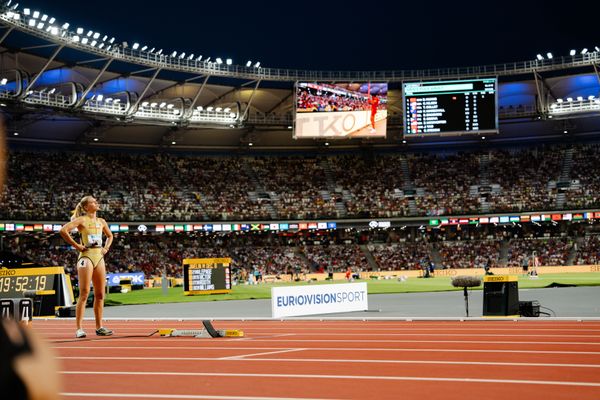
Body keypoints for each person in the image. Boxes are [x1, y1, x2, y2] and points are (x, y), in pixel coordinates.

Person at [59, 196, 114, 338]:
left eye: (96, 201)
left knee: (100, 295)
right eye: (93, 202)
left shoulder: (101, 221)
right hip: (86, 257)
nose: (96, 203)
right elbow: (63, 230)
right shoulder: (81, 220)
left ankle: (99, 327)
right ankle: (79, 328)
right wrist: (77, 246)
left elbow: (110, 236)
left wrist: (106, 248)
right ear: (85, 207)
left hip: (99, 257)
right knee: (84, 293)